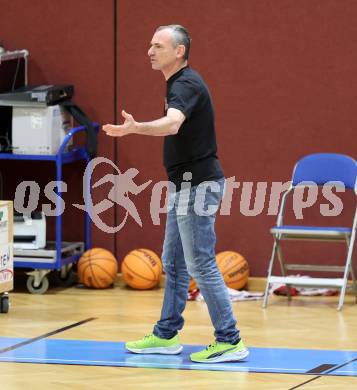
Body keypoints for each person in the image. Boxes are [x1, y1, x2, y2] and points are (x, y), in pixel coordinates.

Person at [103, 24, 248, 363]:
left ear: (179, 51)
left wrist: (136, 127)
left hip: (198, 186)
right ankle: (166, 335)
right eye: (150, 45)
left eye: (158, 46)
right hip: (184, 185)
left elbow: (172, 124)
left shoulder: (186, 84)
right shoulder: (178, 84)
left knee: (200, 263)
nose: (150, 51)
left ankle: (230, 339)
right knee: (174, 262)